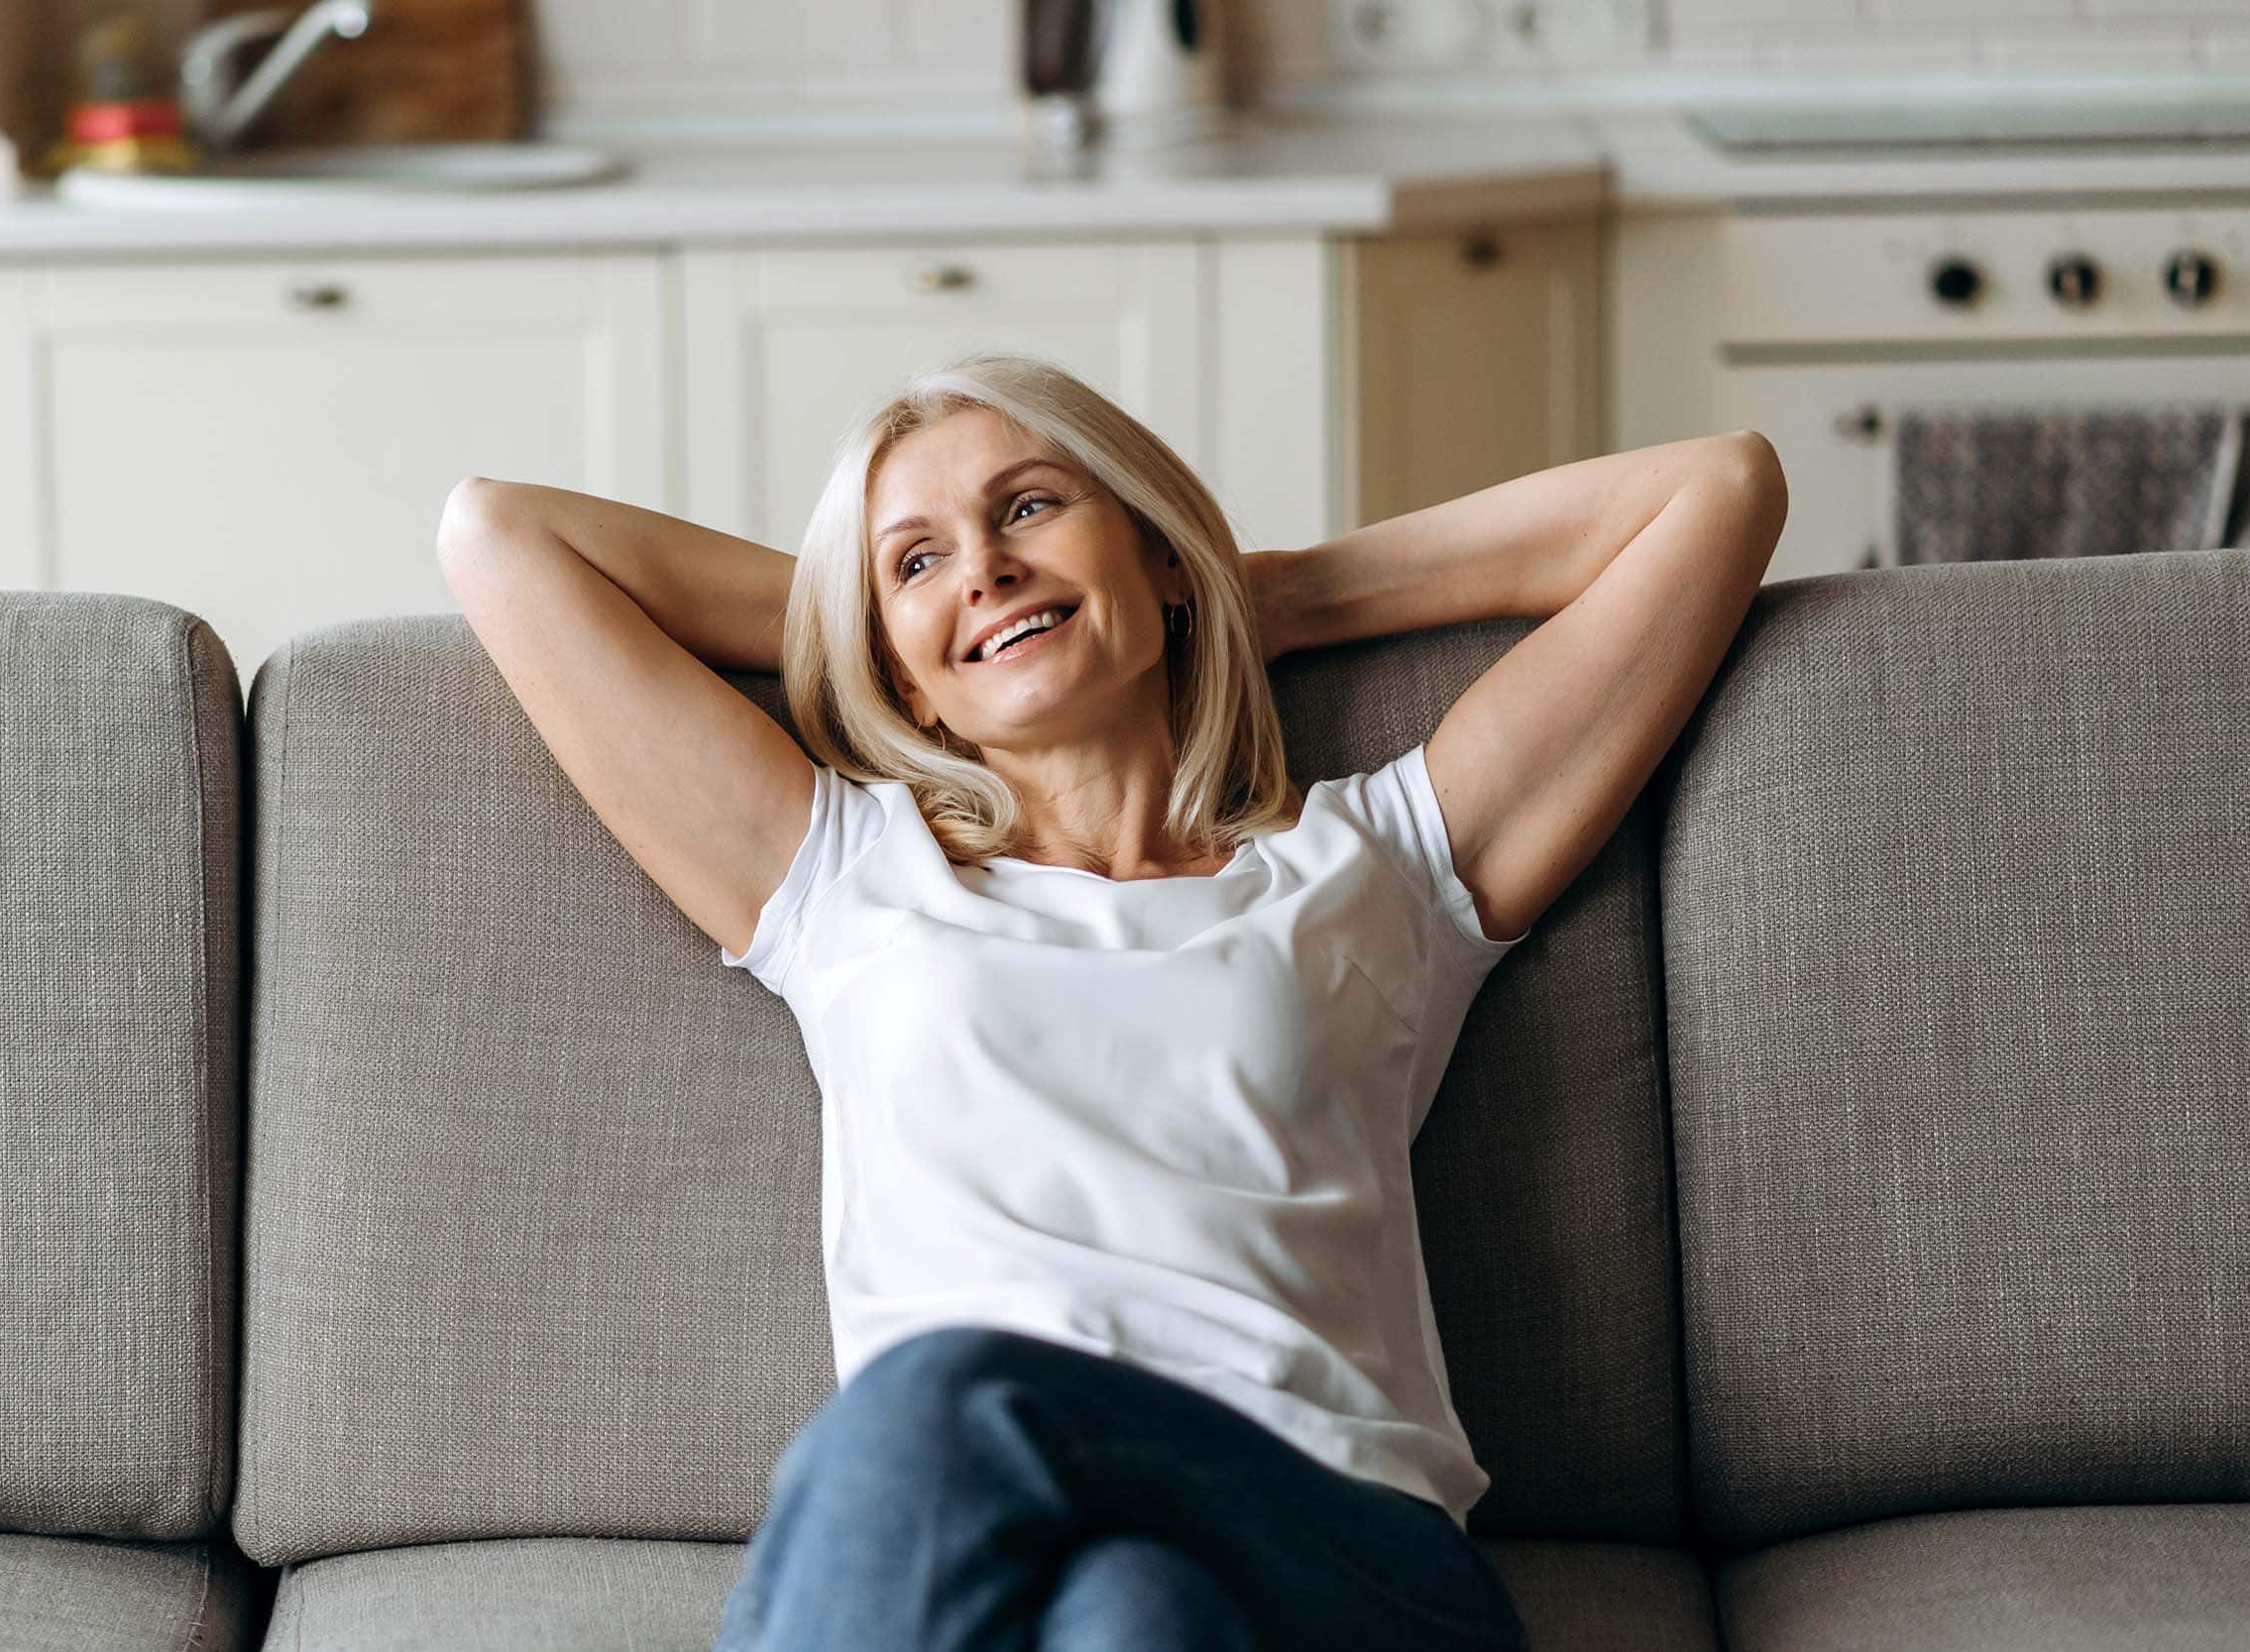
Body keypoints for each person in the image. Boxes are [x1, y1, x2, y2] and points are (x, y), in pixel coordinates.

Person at [436, 352, 1787, 1652]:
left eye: (1028, 507)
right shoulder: (845, 880)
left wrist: (1279, 594)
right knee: (1136, 1614)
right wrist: (907, 627)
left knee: (943, 1401)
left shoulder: (1376, 866)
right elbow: (499, 535)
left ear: (1161, 556)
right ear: (892, 668)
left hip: (1338, 1536)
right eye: (915, 561)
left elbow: (1717, 493)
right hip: (990, 1540)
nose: (985, 566)